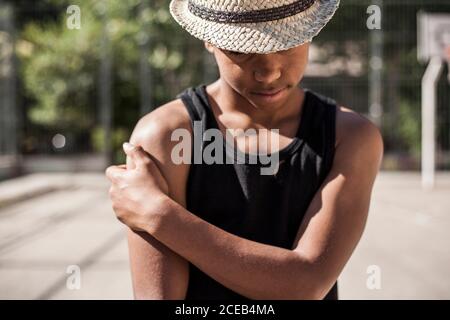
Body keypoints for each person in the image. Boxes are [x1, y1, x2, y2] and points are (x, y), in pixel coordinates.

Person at [105, 0, 384, 300]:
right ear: (208, 39)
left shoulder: (350, 137)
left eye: (286, 43)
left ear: (311, 33)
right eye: (241, 49)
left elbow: (306, 284)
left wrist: (159, 215)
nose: (268, 72)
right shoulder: (166, 136)